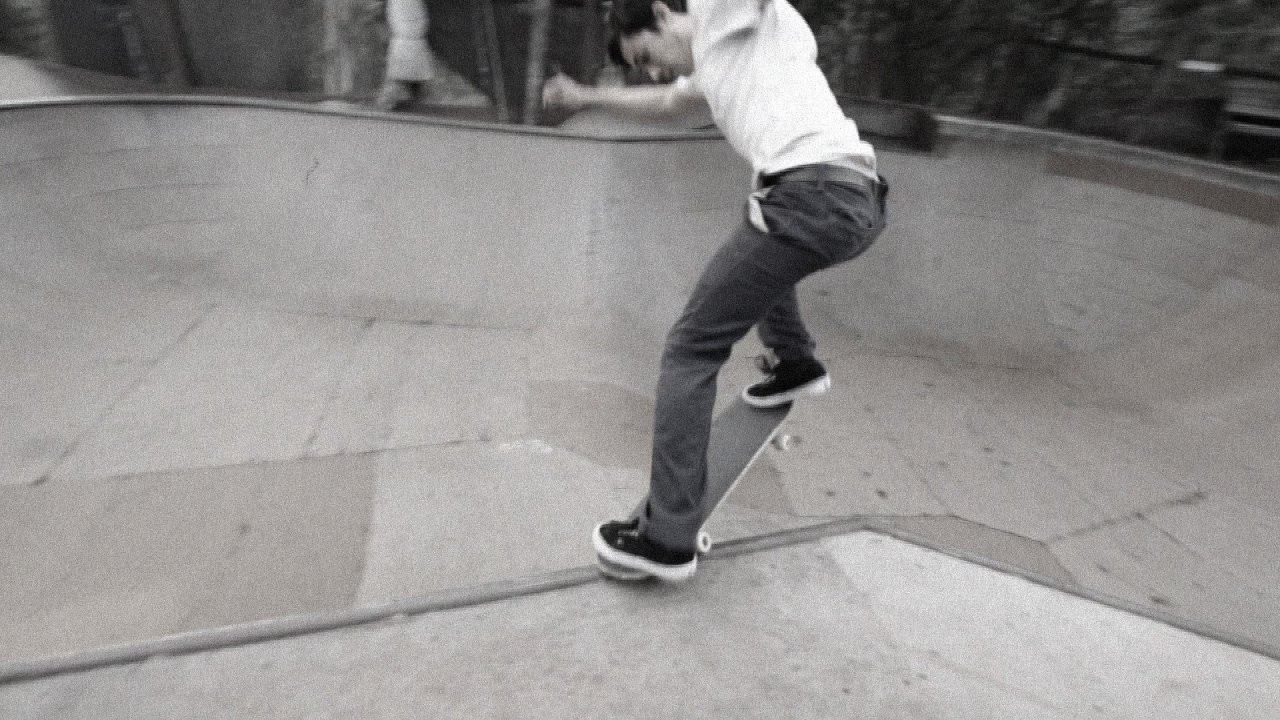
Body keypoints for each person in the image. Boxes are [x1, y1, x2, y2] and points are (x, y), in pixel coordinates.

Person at [542, 0, 888, 582]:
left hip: (810, 197)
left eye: (646, 55)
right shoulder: (716, 61)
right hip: (853, 200)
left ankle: (667, 538)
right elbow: (668, 103)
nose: (654, 71)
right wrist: (585, 96)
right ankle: (794, 360)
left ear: (661, 13)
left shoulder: (720, 14)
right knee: (757, 233)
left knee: (689, 349)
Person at [376, 0, 437, 111]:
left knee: (399, 79)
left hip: (407, 42)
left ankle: (387, 104)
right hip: (410, 41)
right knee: (408, 80)